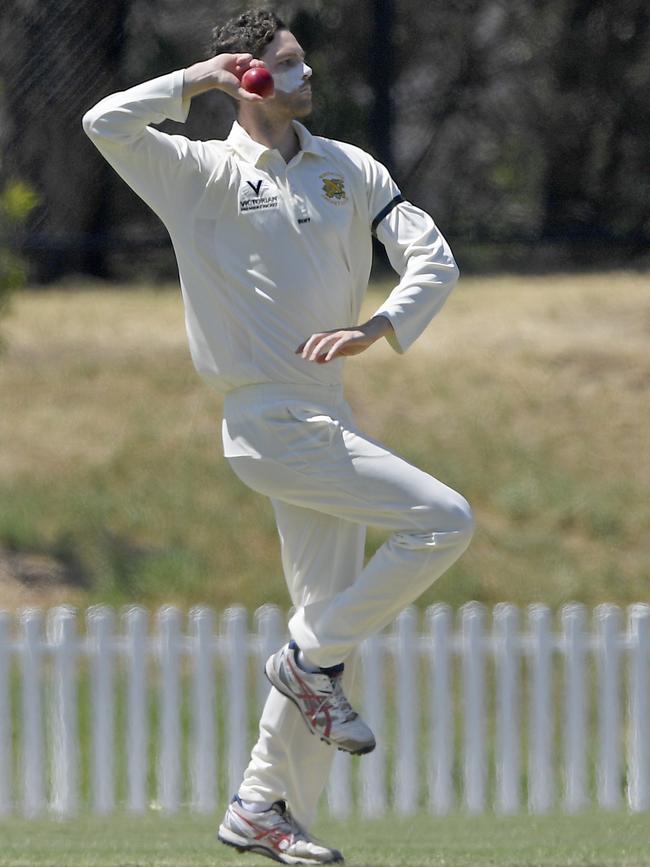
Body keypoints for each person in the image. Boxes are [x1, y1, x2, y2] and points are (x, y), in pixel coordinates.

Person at [83, 8, 474, 864]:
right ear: (248, 77)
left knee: (326, 631)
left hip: (329, 406)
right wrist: (196, 79)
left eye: (304, 64)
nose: (308, 78)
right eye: (287, 67)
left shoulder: (348, 167)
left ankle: (264, 804)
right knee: (444, 520)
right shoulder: (197, 174)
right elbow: (102, 122)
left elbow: (434, 257)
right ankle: (304, 661)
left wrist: (381, 327)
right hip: (265, 416)